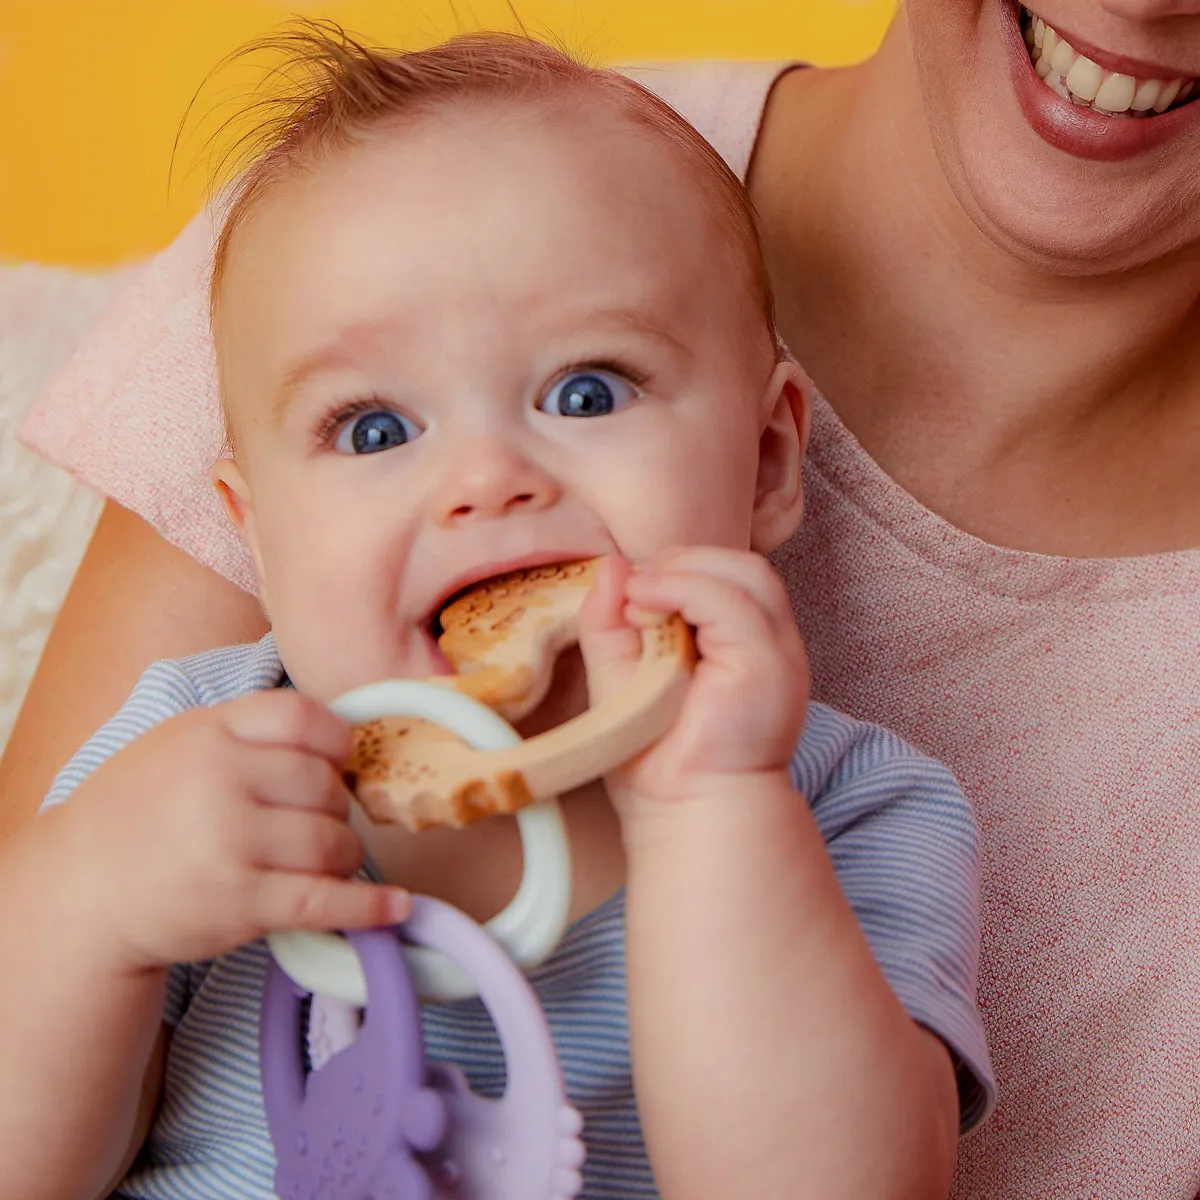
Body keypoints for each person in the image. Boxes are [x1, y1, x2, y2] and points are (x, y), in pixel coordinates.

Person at [4, 0, 1198, 1195]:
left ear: (770, 460)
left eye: (585, 395)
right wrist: (88, 918)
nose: (486, 482)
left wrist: (713, 817)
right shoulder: (184, 757)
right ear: (251, 531)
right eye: (374, 428)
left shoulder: (847, 813)